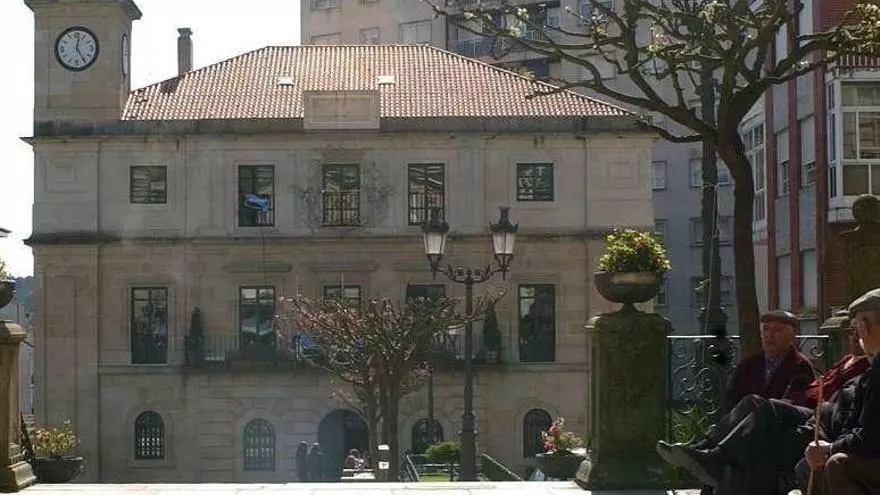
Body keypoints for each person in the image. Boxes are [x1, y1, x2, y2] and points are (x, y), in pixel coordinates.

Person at [656, 317, 869, 491]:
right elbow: (731, 396)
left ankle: (712, 457)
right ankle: (706, 450)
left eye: (776, 330)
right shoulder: (845, 360)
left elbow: (834, 400)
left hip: (815, 413)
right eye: (851, 331)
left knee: (767, 408)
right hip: (800, 407)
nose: (854, 336)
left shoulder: (856, 366)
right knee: (753, 402)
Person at [802, 288, 880, 494]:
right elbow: (854, 426)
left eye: (857, 327)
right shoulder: (872, 371)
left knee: (839, 464)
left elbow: (871, 436)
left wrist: (829, 449)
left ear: (864, 327)